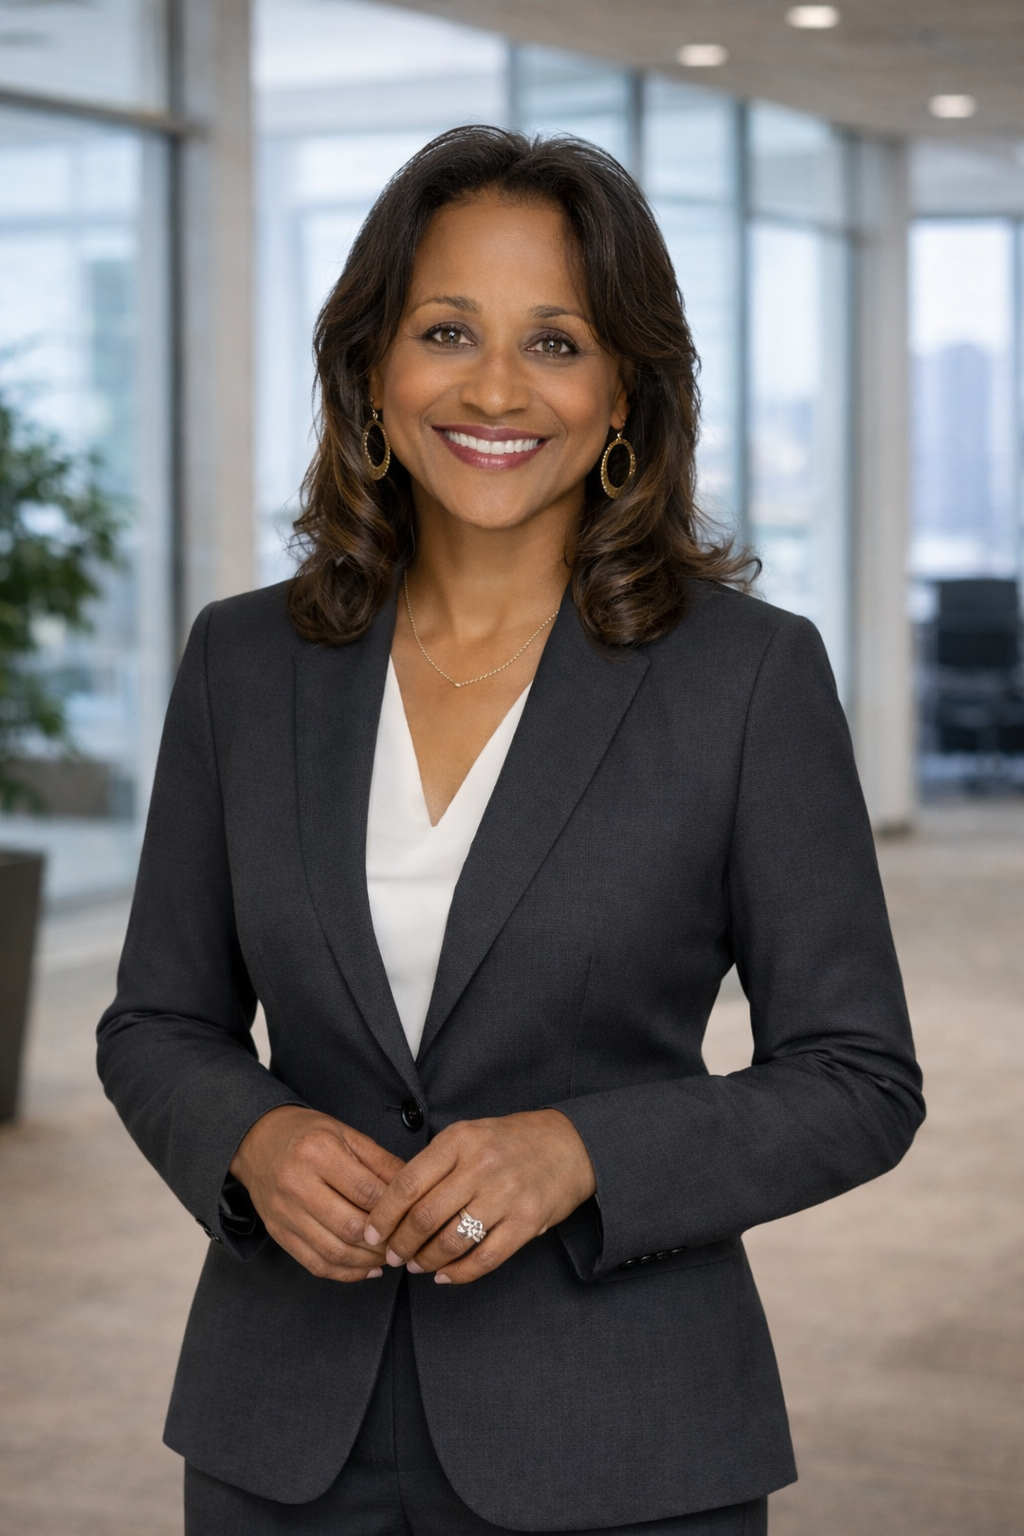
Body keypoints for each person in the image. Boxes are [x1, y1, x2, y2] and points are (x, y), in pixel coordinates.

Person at [97, 126, 924, 1536]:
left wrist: (584, 1152)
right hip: (280, 1438)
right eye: (446, 332)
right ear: (373, 369)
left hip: (624, 1442)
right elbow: (156, 1023)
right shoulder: (243, 662)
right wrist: (255, 1138)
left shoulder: (746, 679)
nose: (494, 388)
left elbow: (858, 1078)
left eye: (557, 342)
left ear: (624, 399)